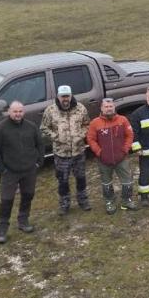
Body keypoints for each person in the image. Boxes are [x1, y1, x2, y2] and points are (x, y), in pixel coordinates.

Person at [0, 101, 44, 243]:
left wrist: (39, 161)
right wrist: (2, 168)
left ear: (23, 112)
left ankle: (23, 220)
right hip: (10, 171)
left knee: (28, 195)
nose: (18, 114)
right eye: (15, 111)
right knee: (7, 200)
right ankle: (2, 228)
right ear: (9, 112)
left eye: (20, 111)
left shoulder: (31, 127)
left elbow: (40, 144)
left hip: (29, 169)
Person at [40, 85, 91, 214]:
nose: (65, 99)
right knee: (63, 180)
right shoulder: (50, 110)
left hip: (78, 151)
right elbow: (44, 128)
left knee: (81, 178)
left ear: (71, 95)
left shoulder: (81, 108)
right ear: (58, 96)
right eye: (63, 96)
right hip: (61, 153)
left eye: (67, 96)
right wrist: (55, 137)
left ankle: (83, 200)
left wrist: (81, 135)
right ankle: (64, 204)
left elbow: (87, 124)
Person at [87, 98, 138, 214]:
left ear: (114, 107)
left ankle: (127, 200)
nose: (109, 109)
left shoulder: (123, 120)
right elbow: (90, 139)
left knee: (127, 180)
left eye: (111, 106)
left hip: (121, 158)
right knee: (106, 182)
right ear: (101, 108)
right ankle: (109, 202)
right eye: (106, 107)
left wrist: (125, 149)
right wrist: (99, 152)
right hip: (104, 160)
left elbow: (130, 135)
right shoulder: (95, 123)